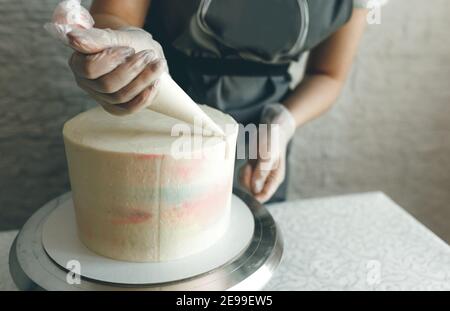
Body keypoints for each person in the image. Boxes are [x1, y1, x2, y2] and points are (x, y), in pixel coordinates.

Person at [64, 0, 377, 204]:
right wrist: (123, 45)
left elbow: (328, 75)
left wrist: (284, 122)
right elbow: (114, 13)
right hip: (156, 106)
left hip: (261, 138)